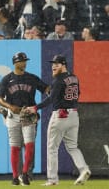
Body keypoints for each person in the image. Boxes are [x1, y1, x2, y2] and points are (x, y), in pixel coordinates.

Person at [27, 55, 91, 186]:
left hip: (60, 115)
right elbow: (78, 94)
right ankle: (84, 169)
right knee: (73, 147)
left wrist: (35, 108)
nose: (53, 66)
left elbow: (51, 99)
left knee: (52, 148)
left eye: (57, 64)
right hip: (73, 115)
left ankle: (52, 179)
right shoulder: (74, 77)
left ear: (63, 65)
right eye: (52, 64)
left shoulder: (58, 80)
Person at [0, 52, 49, 185]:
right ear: (15, 63)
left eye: (25, 60)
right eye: (22, 61)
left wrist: (57, 86)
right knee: (15, 147)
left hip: (28, 114)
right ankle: (15, 177)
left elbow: (47, 89)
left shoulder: (32, 78)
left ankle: (25, 173)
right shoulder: (7, 79)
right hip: (13, 115)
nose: (24, 63)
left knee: (29, 145)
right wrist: (9, 106)